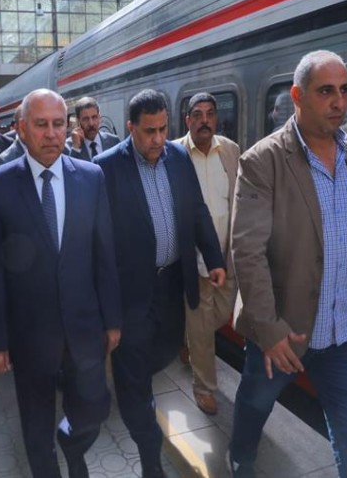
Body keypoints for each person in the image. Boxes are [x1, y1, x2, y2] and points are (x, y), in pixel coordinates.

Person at [228, 50, 347, 478]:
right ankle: (240, 456)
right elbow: (247, 251)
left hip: (345, 331)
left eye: (345, 90)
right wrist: (269, 329)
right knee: (255, 403)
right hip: (285, 331)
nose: (340, 102)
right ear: (297, 96)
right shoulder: (262, 161)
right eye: (326, 91)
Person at [0, 89, 122, 478]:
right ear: (22, 129)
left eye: (59, 124)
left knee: (94, 409)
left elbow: (104, 254)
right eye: (41, 124)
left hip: (83, 328)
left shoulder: (90, 178)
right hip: (29, 334)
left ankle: (72, 448)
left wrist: (112, 319)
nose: (51, 133)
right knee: (36, 423)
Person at [94, 89, 225, 478]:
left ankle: (141, 399)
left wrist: (214, 258)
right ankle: (150, 457)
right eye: (149, 131)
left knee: (161, 356)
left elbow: (197, 210)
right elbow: (97, 240)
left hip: (171, 289)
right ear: (131, 128)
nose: (157, 139)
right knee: (133, 380)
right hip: (131, 295)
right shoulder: (106, 168)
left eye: (163, 130)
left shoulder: (179, 158)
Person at [176, 92, 240, 415]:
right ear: (188, 120)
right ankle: (204, 387)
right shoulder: (175, 153)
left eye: (210, 114)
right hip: (194, 257)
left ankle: (188, 338)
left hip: (226, 255)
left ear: (216, 118)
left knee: (222, 313)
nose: (204, 120)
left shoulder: (230, 150)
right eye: (198, 115)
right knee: (201, 323)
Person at [66, 96, 120, 161]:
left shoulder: (113, 141)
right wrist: (75, 148)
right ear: (78, 121)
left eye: (94, 117)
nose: (91, 123)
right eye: (86, 119)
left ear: (99, 117)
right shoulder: (68, 146)